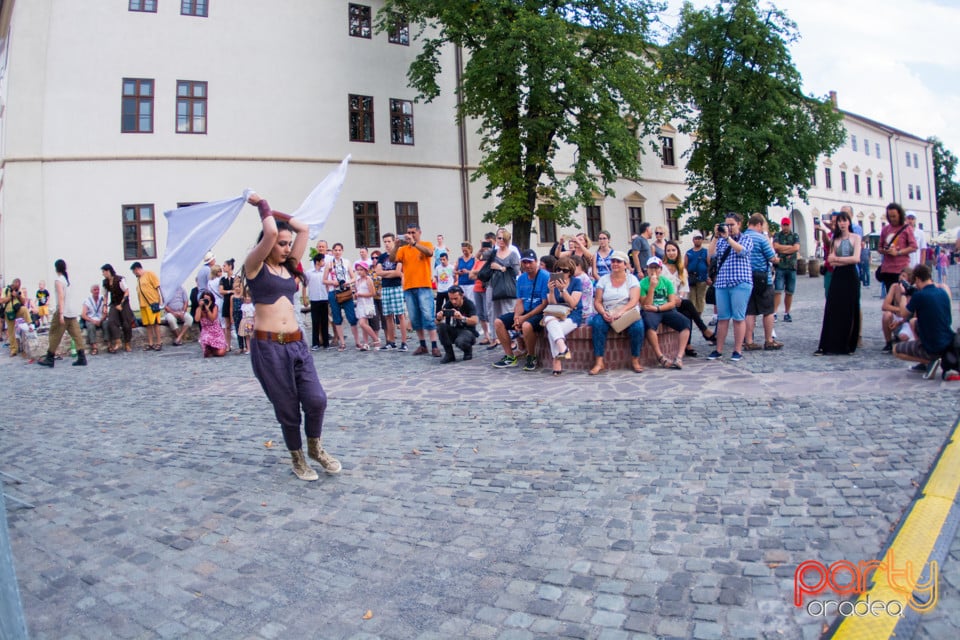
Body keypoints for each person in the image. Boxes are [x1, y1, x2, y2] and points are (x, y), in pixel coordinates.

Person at [243, 193, 340, 481]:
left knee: (316, 400)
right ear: (269, 244)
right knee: (287, 407)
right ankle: (297, 457)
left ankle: (315, 448)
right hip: (268, 347)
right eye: (281, 244)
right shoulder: (254, 266)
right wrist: (263, 207)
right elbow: (271, 230)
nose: (286, 248)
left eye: (288, 244)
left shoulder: (289, 266)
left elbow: (304, 229)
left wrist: (277, 212)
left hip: (297, 343)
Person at [706, 213, 754, 362]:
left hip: (740, 282)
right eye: (727, 224)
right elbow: (711, 254)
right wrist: (715, 236)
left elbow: (742, 251)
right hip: (722, 283)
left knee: (738, 318)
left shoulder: (746, 238)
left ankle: (737, 350)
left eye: (732, 224)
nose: (729, 227)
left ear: (739, 224)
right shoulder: (720, 240)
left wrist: (728, 238)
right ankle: (718, 349)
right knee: (723, 318)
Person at [492, 249, 549, 371]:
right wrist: (516, 317)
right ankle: (510, 356)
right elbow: (520, 301)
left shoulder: (545, 276)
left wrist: (524, 318)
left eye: (530, 262)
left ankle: (531, 356)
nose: (527, 265)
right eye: (524, 262)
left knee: (527, 326)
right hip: (525, 311)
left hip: (539, 313)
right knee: (498, 322)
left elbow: (544, 304)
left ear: (536, 262)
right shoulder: (521, 278)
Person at [893, 264, 954, 378]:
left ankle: (930, 360)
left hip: (932, 344)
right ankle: (926, 362)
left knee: (896, 350)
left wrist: (903, 294)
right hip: (947, 339)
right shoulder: (943, 292)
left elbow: (903, 313)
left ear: (917, 279)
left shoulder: (920, 295)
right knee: (913, 322)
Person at [589, 251, 645, 374]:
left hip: (627, 311)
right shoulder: (603, 280)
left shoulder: (632, 279)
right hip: (608, 310)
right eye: (613, 261)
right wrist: (603, 313)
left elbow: (634, 300)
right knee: (597, 324)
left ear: (625, 264)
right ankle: (599, 361)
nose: (615, 264)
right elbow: (597, 301)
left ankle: (635, 359)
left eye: (618, 261)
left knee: (638, 327)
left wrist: (621, 312)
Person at [814, 210, 862, 356]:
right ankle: (828, 344)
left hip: (850, 275)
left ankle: (848, 343)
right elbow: (830, 259)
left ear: (849, 222)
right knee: (832, 308)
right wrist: (840, 260)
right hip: (838, 275)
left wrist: (839, 260)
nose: (842, 223)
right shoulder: (835, 239)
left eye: (844, 220)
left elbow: (856, 259)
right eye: (839, 221)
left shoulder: (856, 238)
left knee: (850, 308)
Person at [392, 223, 441, 356]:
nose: (411, 235)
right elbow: (393, 259)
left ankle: (434, 345)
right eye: (409, 232)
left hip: (424, 285)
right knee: (414, 318)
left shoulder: (426, 244)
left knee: (428, 316)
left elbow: (430, 253)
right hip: (409, 286)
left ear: (419, 232)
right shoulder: (403, 249)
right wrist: (396, 245)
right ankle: (422, 345)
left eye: (413, 232)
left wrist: (414, 244)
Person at [663, 240, 715, 355]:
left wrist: (679, 298)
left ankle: (688, 344)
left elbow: (683, 289)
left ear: (678, 252)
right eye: (668, 250)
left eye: (673, 250)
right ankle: (704, 329)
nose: (671, 253)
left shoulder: (681, 269)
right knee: (688, 305)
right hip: (665, 302)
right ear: (665, 253)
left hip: (678, 301)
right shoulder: (661, 268)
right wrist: (673, 299)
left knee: (687, 311)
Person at [639, 256, 691, 369]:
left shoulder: (666, 282)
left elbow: (672, 302)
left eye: (656, 268)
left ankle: (679, 357)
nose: (653, 271)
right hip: (650, 310)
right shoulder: (643, 283)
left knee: (685, 324)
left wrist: (658, 308)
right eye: (651, 268)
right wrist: (652, 287)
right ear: (646, 269)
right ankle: (660, 356)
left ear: (660, 270)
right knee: (649, 326)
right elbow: (645, 304)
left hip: (664, 308)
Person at [36, 259, 87, 367]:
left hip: (63, 311)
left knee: (54, 334)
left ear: (56, 268)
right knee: (77, 335)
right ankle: (82, 357)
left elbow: (61, 297)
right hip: (72, 311)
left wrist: (60, 314)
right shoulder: (69, 280)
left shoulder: (59, 281)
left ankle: (50, 357)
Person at [742, 214, 782, 351]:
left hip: (746, 277)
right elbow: (772, 257)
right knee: (768, 310)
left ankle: (749, 341)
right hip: (763, 278)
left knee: (750, 311)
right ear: (759, 224)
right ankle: (769, 340)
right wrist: (777, 259)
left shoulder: (741, 237)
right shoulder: (761, 238)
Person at [542, 256, 583, 376]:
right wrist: (550, 291)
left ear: (570, 272)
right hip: (556, 314)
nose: (561, 272)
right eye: (558, 269)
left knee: (552, 331)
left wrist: (563, 290)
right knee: (549, 318)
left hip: (572, 315)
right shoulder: (552, 281)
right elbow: (553, 304)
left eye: (564, 270)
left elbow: (573, 304)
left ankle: (557, 360)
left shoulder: (576, 282)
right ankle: (563, 348)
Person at [323, 242, 362, 351]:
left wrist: (348, 282)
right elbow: (324, 280)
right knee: (337, 318)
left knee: (352, 317)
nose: (337, 252)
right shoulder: (329, 264)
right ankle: (342, 343)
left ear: (342, 251)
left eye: (339, 250)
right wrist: (332, 282)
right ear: (333, 251)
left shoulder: (346, 262)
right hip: (334, 292)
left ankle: (357, 341)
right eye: (335, 250)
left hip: (345, 291)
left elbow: (354, 277)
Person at [485, 228, 521, 338]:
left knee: (508, 310)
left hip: (507, 285)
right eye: (498, 238)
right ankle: (495, 337)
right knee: (492, 311)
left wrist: (501, 267)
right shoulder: (492, 253)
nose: (500, 240)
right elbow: (482, 260)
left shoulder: (513, 253)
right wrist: (483, 247)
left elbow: (516, 271)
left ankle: (511, 335)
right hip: (493, 284)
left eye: (503, 238)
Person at [375, 233, 408, 351]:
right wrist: (390, 273)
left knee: (400, 315)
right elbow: (378, 272)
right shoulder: (382, 256)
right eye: (385, 242)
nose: (387, 244)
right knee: (388, 316)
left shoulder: (399, 254)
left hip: (396, 287)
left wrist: (386, 273)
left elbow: (398, 272)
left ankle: (404, 342)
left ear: (394, 242)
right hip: (385, 288)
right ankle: (391, 341)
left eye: (389, 241)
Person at [876, 203, 917, 293]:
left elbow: (914, 247)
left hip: (901, 269)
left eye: (894, 216)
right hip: (888, 269)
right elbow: (879, 247)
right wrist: (884, 251)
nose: (892, 219)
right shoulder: (885, 229)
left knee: (901, 295)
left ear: (900, 215)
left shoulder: (906, 228)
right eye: (890, 216)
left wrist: (898, 252)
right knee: (890, 295)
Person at [436, 285, 479, 363]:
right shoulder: (449, 304)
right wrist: (439, 318)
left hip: (468, 332)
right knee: (441, 327)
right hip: (455, 330)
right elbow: (436, 322)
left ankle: (468, 351)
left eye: (456, 298)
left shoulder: (468, 304)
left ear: (462, 295)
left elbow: (475, 321)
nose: (453, 302)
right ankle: (449, 354)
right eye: (451, 299)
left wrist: (462, 318)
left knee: (460, 341)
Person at [101, 263, 135, 353]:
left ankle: (127, 343)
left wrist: (122, 303)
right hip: (114, 303)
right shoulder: (105, 282)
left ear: (108, 271)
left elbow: (127, 291)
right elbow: (105, 295)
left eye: (104, 272)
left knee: (126, 323)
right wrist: (104, 306)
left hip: (124, 302)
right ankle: (118, 340)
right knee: (111, 321)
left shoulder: (120, 279)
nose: (103, 274)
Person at [881, 267, 915, 352]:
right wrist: (900, 309)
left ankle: (902, 340)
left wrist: (902, 314)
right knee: (886, 315)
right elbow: (885, 306)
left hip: (907, 321)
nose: (900, 277)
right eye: (900, 275)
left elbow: (911, 312)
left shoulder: (913, 290)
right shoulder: (894, 286)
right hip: (897, 317)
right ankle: (888, 343)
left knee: (903, 337)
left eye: (903, 276)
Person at [772, 217, 800, 322]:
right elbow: (776, 247)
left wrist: (782, 248)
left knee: (789, 292)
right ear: (781, 225)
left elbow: (796, 248)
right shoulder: (777, 235)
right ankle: (774, 313)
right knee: (778, 290)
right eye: (784, 225)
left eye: (787, 225)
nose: (785, 227)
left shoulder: (795, 235)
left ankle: (787, 313)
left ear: (790, 225)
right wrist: (790, 248)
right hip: (780, 266)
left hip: (791, 267)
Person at [131, 261, 163, 351]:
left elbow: (157, 286)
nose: (135, 274)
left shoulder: (149, 274)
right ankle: (150, 343)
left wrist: (160, 299)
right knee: (148, 324)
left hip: (152, 303)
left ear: (137, 269)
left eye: (134, 272)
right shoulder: (139, 278)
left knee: (155, 323)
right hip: (143, 305)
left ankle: (159, 342)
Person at [303, 254, 330, 351]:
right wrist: (305, 298)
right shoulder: (309, 273)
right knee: (315, 321)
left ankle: (326, 343)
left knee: (324, 321)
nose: (324, 262)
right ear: (317, 262)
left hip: (324, 298)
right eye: (322, 261)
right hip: (314, 299)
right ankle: (315, 343)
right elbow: (304, 285)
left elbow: (327, 285)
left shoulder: (325, 272)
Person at [352, 261, 382, 350]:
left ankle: (376, 340)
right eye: (358, 270)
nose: (359, 272)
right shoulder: (358, 281)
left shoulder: (368, 280)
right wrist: (355, 295)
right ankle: (366, 343)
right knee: (363, 324)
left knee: (362, 323)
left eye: (361, 270)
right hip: (360, 304)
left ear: (365, 270)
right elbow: (356, 292)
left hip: (367, 304)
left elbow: (373, 293)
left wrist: (361, 294)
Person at [2, 279, 31, 356]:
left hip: (17, 310)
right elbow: (1, 300)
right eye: (17, 286)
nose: (17, 287)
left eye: (19, 286)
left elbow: (24, 302)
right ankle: (13, 349)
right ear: (14, 284)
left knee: (24, 309)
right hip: (8, 312)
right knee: (11, 331)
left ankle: (29, 324)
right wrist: (11, 296)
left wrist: (18, 295)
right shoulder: (6, 289)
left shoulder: (19, 290)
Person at [195, 291, 228, 357]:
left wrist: (207, 308)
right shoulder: (199, 308)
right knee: (207, 338)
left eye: (207, 299)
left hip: (216, 331)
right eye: (204, 299)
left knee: (221, 353)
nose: (206, 301)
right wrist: (200, 307)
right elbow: (197, 319)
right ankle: (209, 349)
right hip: (206, 331)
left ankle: (212, 350)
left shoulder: (215, 307)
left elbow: (212, 319)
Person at [684, 233, 709, 315]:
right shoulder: (689, 253)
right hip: (691, 279)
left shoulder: (705, 252)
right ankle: (692, 313)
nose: (698, 240)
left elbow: (709, 264)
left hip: (702, 278)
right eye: (696, 238)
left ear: (702, 240)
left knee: (701, 298)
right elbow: (685, 266)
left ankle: (699, 314)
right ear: (693, 240)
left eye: (699, 238)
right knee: (691, 298)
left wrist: (708, 277)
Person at [81, 284, 108, 355]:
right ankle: (94, 346)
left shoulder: (102, 299)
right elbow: (83, 314)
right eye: (95, 290)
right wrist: (93, 321)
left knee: (106, 324)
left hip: (100, 318)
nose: (97, 291)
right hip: (91, 319)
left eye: (98, 290)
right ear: (91, 291)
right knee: (90, 326)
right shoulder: (87, 301)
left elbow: (105, 312)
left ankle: (108, 343)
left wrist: (101, 320)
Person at [219, 258, 236, 351]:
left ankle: (243, 345)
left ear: (230, 267)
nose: (223, 267)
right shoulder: (223, 279)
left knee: (238, 324)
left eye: (224, 266)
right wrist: (230, 291)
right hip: (226, 302)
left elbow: (238, 290)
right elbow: (221, 291)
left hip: (235, 302)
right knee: (227, 325)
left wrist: (229, 292)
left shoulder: (236, 278)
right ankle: (228, 345)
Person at [237, 290, 255, 354]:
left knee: (252, 335)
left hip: (250, 320)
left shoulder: (252, 305)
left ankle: (253, 349)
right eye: (246, 296)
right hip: (245, 320)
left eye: (249, 297)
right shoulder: (243, 305)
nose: (247, 298)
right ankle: (248, 348)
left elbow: (254, 314)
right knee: (247, 335)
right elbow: (243, 314)